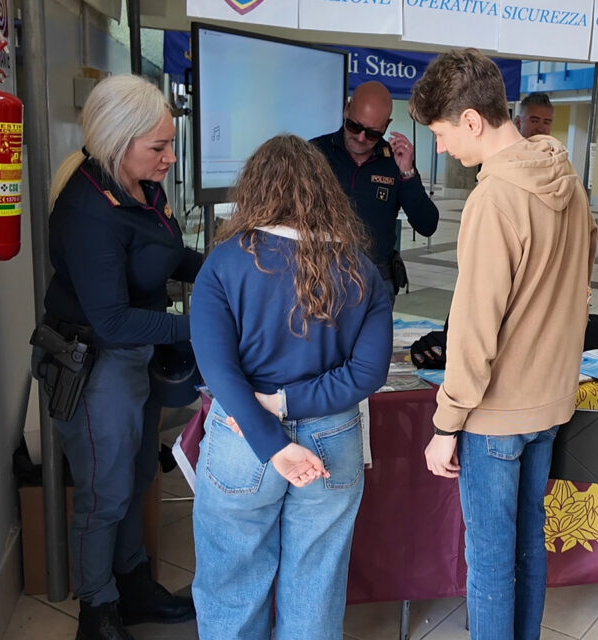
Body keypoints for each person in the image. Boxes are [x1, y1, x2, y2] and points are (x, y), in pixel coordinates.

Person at [411, 49, 596, 639]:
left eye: (440, 134)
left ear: (471, 120)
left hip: (496, 415)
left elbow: (474, 324)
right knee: (529, 546)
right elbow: (581, 293)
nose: (441, 149)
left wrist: (446, 424)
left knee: (491, 561)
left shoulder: (494, 197)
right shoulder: (570, 181)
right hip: (551, 402)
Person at [189, 135, 393, 639]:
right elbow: (367, 375)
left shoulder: (225, 261)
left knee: (231, 582)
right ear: (326, 192)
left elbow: (220, 369)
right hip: (334, 441)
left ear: (255, 190)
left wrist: (271, 434)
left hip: (242, 438)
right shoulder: (363, 272)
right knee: (316, 585)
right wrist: (290, 407)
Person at [40, 74, 201, 640]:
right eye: (158, 146)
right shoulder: (88, 209)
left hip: (137, 360)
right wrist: (195, 326)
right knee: (102, 493)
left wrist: (226, 271)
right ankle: (98, 610)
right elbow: (109, 320)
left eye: (170, 143)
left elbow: (167, 253)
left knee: (135, 475)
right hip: (97, 364)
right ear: (118, 140)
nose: (169, 157)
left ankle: (132, 585)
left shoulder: (141, 189)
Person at [310, 81, 439, 298]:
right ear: (347, 109)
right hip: (321, 277)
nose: (361, 138)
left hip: (376, 281)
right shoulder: (314, 153)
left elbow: (427, 225)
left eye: (372, 133)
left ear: (387, 126)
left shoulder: (395, 163)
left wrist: (408, 174)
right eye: (355, 126)